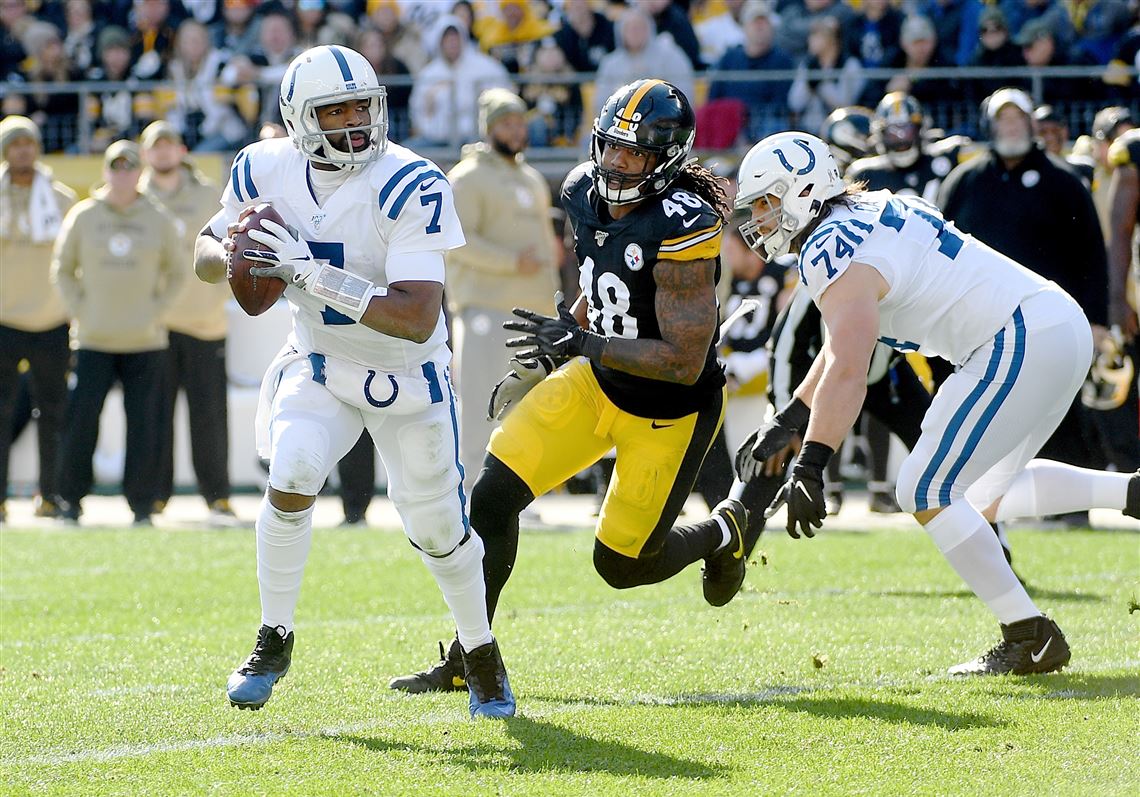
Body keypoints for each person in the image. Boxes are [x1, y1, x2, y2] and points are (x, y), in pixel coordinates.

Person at [390, 79, 750, 695]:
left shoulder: (684, 223)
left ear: (665, 159)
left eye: (633, 155)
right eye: (611, 148)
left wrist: (585, 343)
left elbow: (684, 358)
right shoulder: (583, 191)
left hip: (668, 408)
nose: (615, 164)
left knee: (621, 566)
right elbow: (602, 286)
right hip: (597, 382)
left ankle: (724, 529)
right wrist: (563, 341)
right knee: (492, 499)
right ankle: (468, 655)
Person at [733, 130, 1138, 676]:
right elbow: (843, 347)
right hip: (1049, 322)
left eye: (767, 201)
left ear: (803, 190)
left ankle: (1028, 634)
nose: (760, 218)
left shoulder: (830, 248)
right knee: (975, 501)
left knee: (923, 488)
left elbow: (851, 369)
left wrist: (813, 462)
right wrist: (792, 418)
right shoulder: (869, 207)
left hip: (1015, 335)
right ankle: (1130, 493)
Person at [191, 44, 513, 718]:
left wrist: (306, 273)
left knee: (437, 528)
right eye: (334, 110)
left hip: (408, 375)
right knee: (293, 470)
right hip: (321, 362)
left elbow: (415, 312)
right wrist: (238, 255)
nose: (354, 122)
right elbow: (203, 248)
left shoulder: (411, 181)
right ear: (298, 119)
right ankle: (274, 635)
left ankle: (480, 650)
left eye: (361, 106)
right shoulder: (263, 167)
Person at [939, 88, 1111, 526]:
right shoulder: (966, 181)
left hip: (1053, 320)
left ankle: (1072, 512)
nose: (1011, 129)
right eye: (1003, 121)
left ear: (1032, 125)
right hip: (979, 326)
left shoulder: (1064, 181)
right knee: (989, 417)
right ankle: (986, 507)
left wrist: (1097, 320)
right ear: (989, 126)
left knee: (1061, 413)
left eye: (1018, 120)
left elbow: (1091, 253)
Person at [51, 140, 185, 526]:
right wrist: (80, 310)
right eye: (116, 167)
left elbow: (178, 271)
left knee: (144, 425)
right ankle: (70, 500)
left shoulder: (156, 217)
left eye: (129, 168)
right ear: (106, 172)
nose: (123, 175)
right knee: (80, 423)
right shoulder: (84, 215)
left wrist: (157, 310)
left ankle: (142, 505)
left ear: (138, 172)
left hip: (145, 340)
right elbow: (62, 268)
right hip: (94, 338)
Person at [445, 88, 559, 496]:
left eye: (520, 122)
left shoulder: (529, 176)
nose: (516, 130)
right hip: (486, 313)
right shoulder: (468, 177)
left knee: (526, 413)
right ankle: (473, 496)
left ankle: (515, 500)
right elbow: (456, 242)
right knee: (480, 407)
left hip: (535, 317)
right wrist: (512, 262)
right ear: (490, 128)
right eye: (507, 123)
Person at [138, 121, 239, 527]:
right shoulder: (135, 196)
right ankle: (154, 496)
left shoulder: (208, 195)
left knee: (210, 417)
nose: (163, 153)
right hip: (153, 325)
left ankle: (218, 497)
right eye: (155, 146)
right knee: (153, 415)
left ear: (181, 151)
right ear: (145, 153)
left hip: (204, 320)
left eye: (169, 145)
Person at [0, 115, 76, 523]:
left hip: (51, 320)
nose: (23, 151)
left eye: (29, 143)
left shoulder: (61, 199)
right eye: (15, 144)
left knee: (54, 414)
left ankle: (51, 495)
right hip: (3, 321)